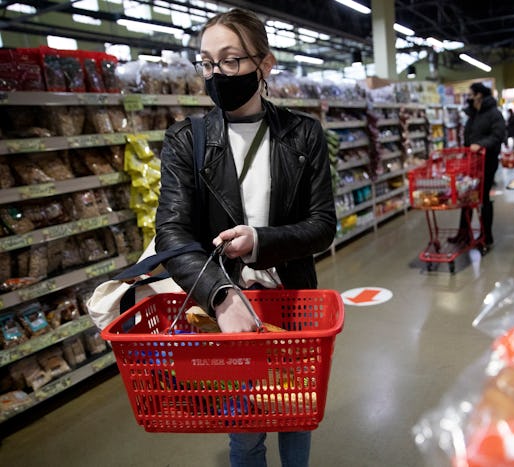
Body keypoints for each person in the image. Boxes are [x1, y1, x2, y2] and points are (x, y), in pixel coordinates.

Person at [155, 8, 337, 467]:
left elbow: (323, 225)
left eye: (231, 60)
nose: (217, 73)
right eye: (207, 62)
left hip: (293, 300)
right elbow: (171, 232)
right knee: (245, 423)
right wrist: (220, 294)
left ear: (265, 64)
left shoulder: (303, 134)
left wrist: (258, 240)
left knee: (294, 413)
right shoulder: (186, 140)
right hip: (229, 304)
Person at [448, 82, 506, 250]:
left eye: (471, 93)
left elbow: (498, 135)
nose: (469, 96)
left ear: (479, 94)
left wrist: (481, 145)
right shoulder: (474, 114)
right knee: (466, 195)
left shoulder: (494, 113)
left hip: (487, 161)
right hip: (471, 162)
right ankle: (464, 234)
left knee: (483, 197)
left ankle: (486, 236)